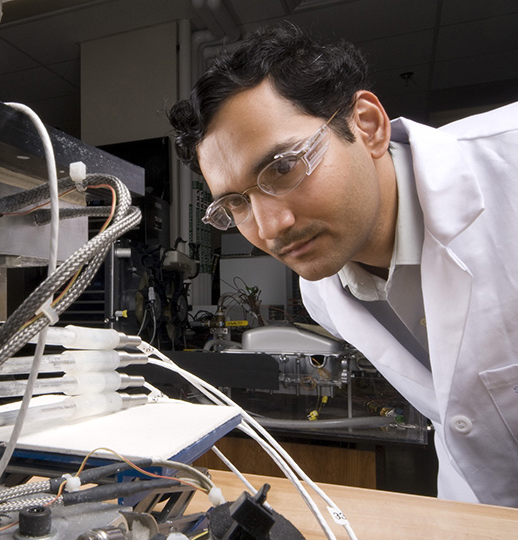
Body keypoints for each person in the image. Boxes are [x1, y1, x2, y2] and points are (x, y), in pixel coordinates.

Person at [168, 22, 518, 507]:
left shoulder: (510, 164)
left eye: (284, 167)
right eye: (236, 204)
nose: (270, 227)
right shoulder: (324, 292)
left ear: (367, 126)